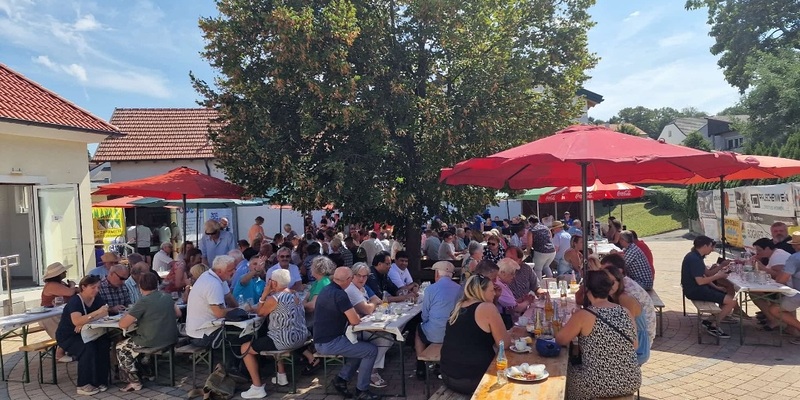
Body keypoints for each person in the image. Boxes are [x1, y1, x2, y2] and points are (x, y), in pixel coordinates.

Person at [555, 270, 641, 400]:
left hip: (597, 384)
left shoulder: (584, 315)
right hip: (629, 380)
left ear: (587, 291)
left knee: (565, 374)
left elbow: (560, 339)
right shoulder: (626, 312)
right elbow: (634, 345)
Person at [239, 269, 311, 398]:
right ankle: (281, 374)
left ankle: (257, 387)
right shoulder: (294, 294)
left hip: (285, 340)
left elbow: (260, 313)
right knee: (271, 335)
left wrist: (264, 294)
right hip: (300, 336)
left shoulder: (275, 298)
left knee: (245, 348)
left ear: (274, 283)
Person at [314, 267, 380, 400]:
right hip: (330, 342)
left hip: (320, 339)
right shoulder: (340, 294)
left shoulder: (326, 289)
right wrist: (356, 315)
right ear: (349, 280)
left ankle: (341, 379)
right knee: (370, 350)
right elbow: (354, 320)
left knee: (361, 348)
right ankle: (362, 390)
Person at [440, 274, 510, 394]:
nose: (494, 293)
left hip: (448, 375)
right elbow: (504, 344)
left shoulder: (459, 306)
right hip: (474, 379)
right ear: (481, 291)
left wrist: (495, 299)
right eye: (492, 290)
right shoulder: (487, 308)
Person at [116, 273, 181, 392]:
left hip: (152, 339)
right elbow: (178, 314)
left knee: (121, 347)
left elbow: (123, 324)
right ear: (156, 283)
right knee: (136, 341)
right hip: (170, 337)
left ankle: (134, 382)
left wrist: (127, 314)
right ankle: (147, 372)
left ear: (140, 286)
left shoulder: (143, 301)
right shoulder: (166, 297)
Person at [55, 275, 111, 396]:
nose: (96, 290)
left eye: (98, 287)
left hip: (88, 332)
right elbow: (76, 321)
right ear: (83, 287)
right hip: (69, 336)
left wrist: (85, 321)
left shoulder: (97, 298)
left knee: (104, 343)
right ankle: (83, 384)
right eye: (93, 287)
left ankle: (100, 380)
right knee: (87, 348)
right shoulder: (75, 301)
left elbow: (105, 313)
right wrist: (94, 314)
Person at [681, 235, 737, 338]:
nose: (713, 249)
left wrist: (721, 267)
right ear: (705, 246)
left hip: (696, 288)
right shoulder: (694, 259)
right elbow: (700, 281)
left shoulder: (695, 256)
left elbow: (707, 274)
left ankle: (710, 320)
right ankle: (714, 326)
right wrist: (719, 276)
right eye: (711, 246)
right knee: (731, 302)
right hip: (695, 291)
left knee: (725, 292)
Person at [415, 261, 462, 379]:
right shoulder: (459, 289)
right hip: (453, 333)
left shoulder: (430, 289)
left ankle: (421, 366)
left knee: (418, 331)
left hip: (435, 333)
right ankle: (439, 365)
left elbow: (425, 315)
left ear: (437, 274)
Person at [602, 260, 653, 365]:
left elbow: (627, 330)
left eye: (612, 282)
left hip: (638, 349)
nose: (608, 285)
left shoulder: (624, 298)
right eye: (605, 282)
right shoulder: (612, 298)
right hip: (630, 344)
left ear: (619, 282)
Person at [186, 255, 240, 347]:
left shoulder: (215, 277)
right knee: (244, 337)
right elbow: (219, 313)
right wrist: (239, 310)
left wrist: (240, 309)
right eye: (231, 270)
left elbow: (229, 298)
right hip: (202, 335)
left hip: (201, 331)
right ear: (219, 271)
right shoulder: (213, 283)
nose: (234, 272)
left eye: (234, 269)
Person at [39, 262, 78, 362]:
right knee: (65, 330)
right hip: (50, 316)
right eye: (63, 271)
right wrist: (72, 285)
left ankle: (68, 350)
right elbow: (70, 292)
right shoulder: (51, 285)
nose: (65, 272)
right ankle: (59, 354)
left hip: (59, 312)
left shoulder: (61, 283)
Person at [752, 237, 792, 330]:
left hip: (788, 288)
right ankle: (772, 318)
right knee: (756, 291)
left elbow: (779, 275)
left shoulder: (778, 257)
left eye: (759, 250)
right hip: (783, 286)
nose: (757, 253)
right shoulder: (776, 253)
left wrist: (763, 268)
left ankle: (774, 320)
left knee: (754, 293)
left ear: (767, 248)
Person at [767, 231, 800, 344]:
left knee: (775, 309)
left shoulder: (795, 258)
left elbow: (782, 279)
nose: (793, 247)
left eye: (794, 245)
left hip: (798, 293)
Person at [528, 216, 555, 284]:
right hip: (552, 250)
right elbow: (550, 237)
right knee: (546, 266)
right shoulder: (546, 228)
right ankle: (552, 282)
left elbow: (529, 244)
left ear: (530, 222)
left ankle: (539, 286)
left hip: (540, 252)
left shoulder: (531, 230)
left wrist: (528, 252)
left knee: (538, 269)